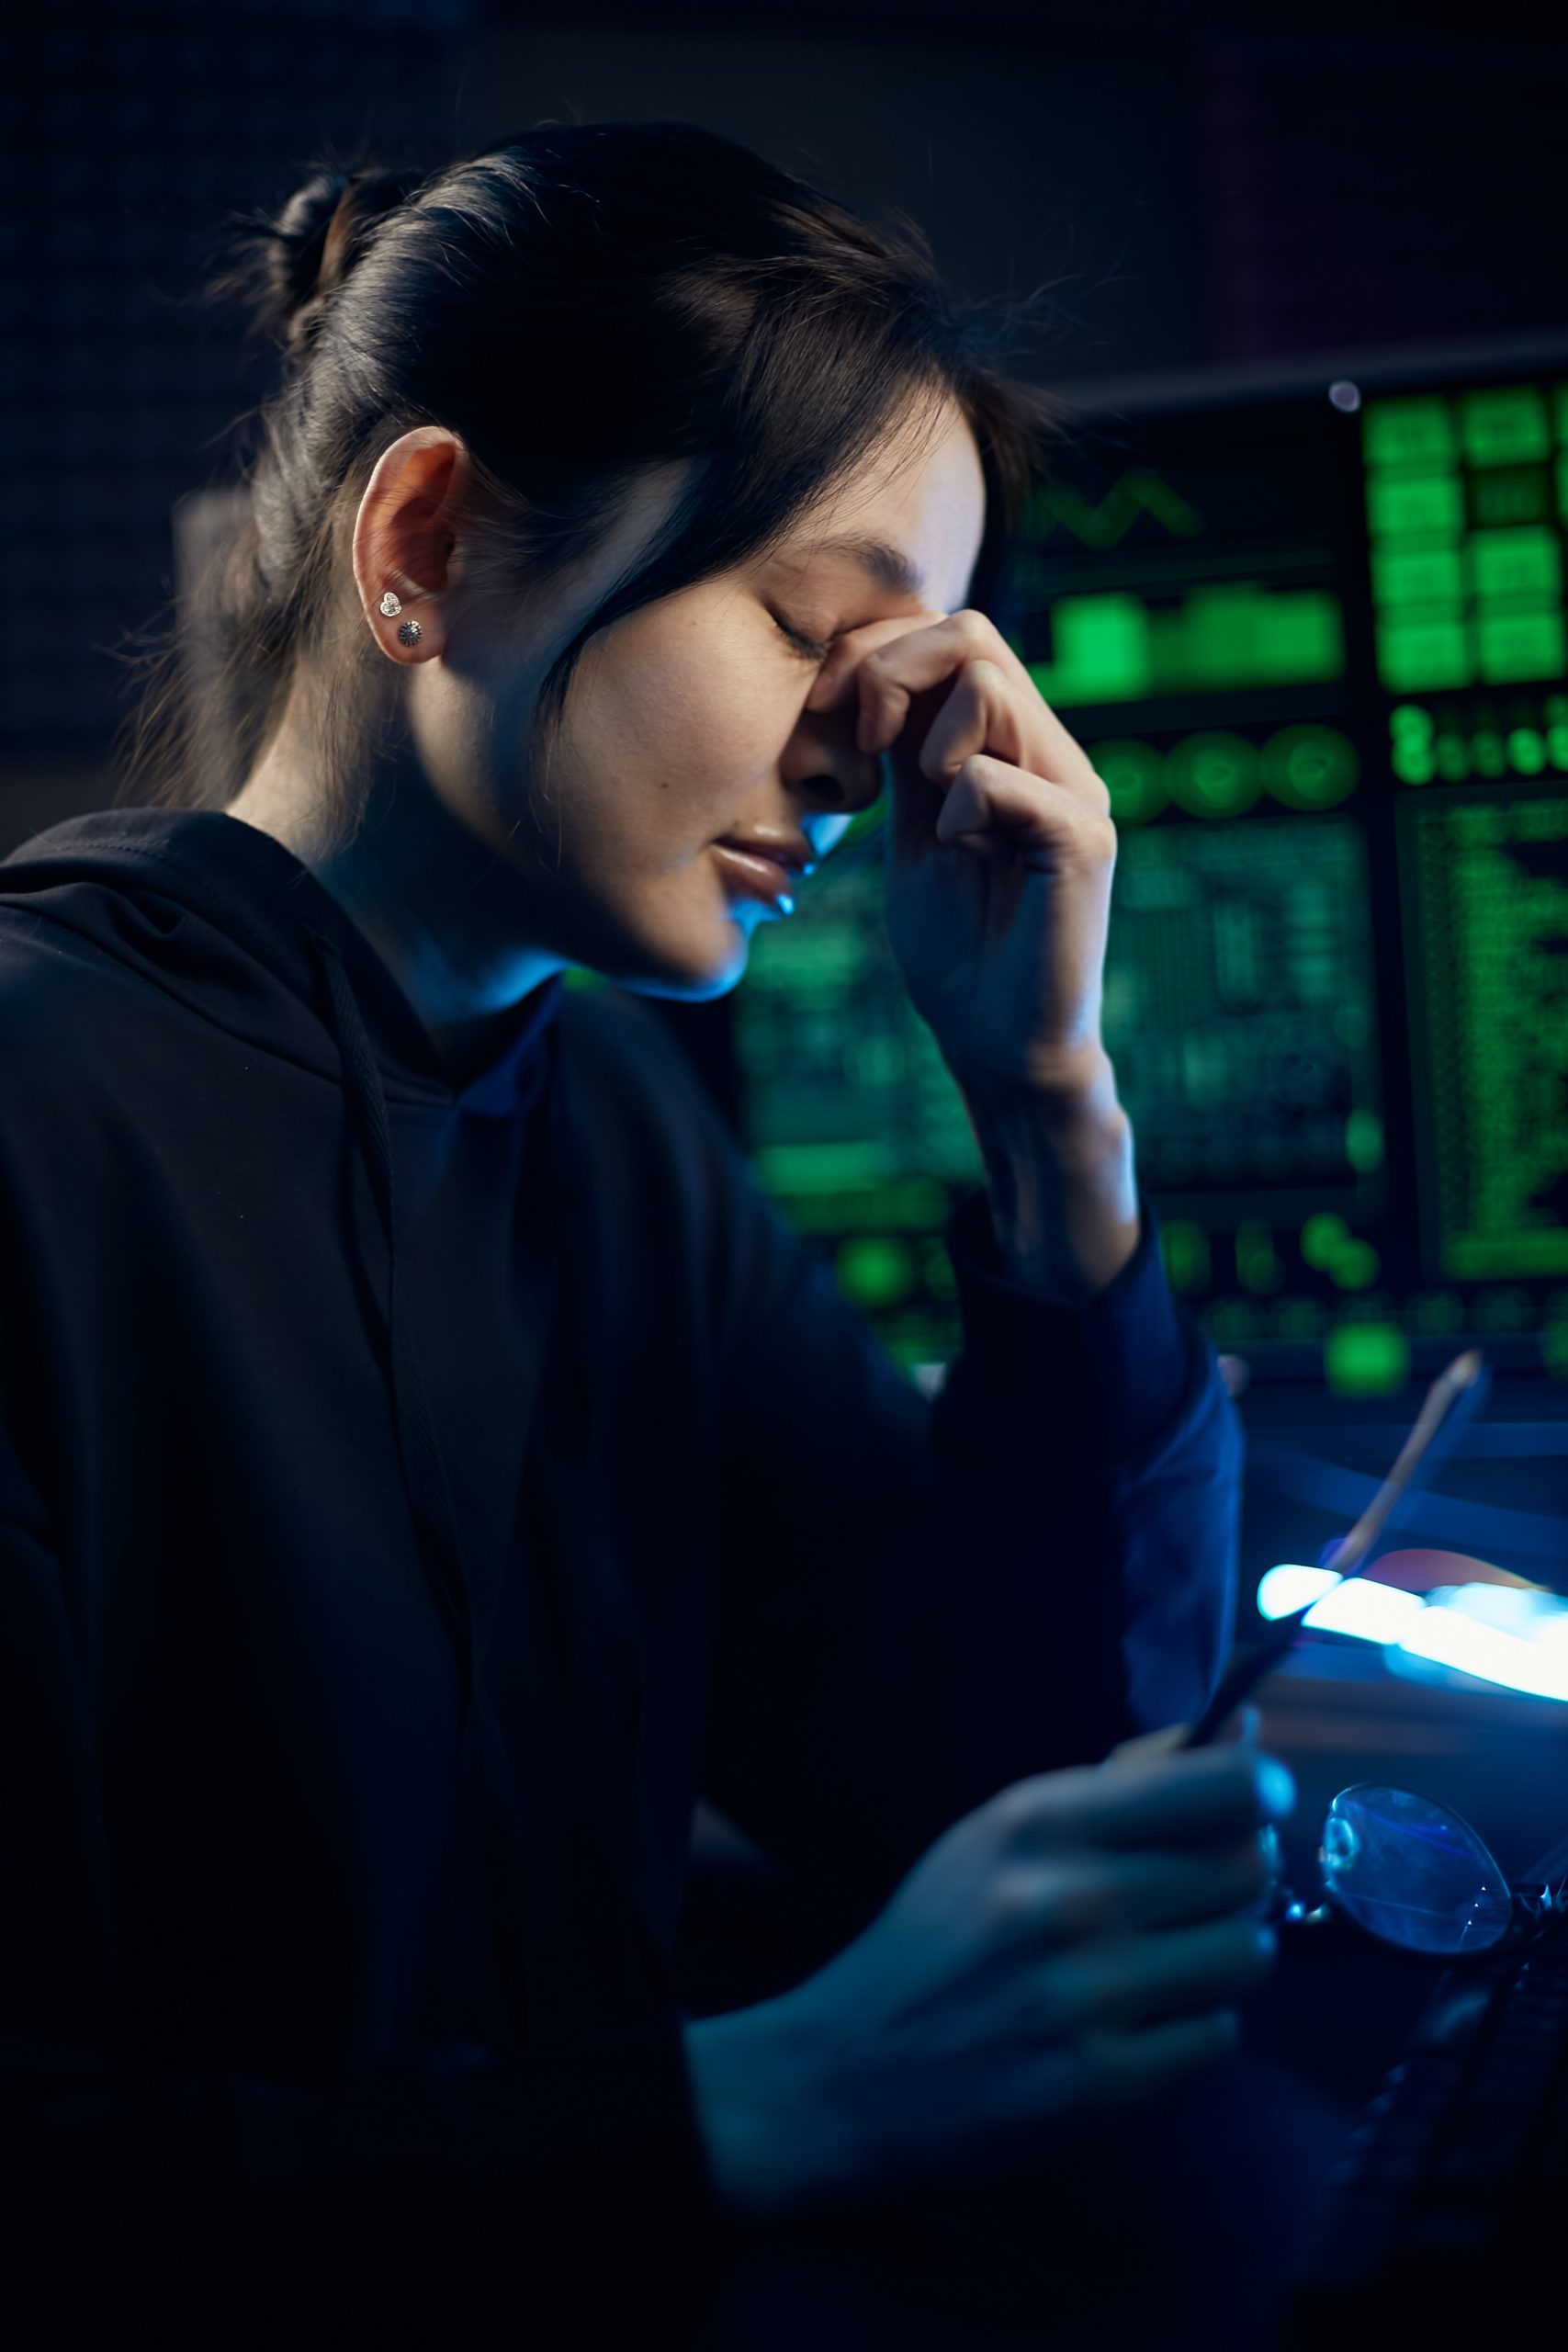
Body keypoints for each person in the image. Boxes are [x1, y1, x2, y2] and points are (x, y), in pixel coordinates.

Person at [0, 125, 1289, 2341]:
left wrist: (1050, 1113)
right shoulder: (37, 1116)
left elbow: (998, 1794)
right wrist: (752, 2100)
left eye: (907, 670)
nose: (867, 753)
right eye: (813, 626)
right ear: (431, 541)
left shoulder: (602, 1120)